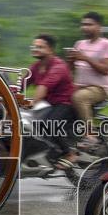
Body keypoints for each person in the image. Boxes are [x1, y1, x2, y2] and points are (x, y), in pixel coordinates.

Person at [65, 12, 108, 152]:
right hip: (80, 85)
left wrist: (85, 58)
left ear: (99, 27)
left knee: (79, 97)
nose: (85, 27)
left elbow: (106, 70)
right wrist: (71, 61)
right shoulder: (79, 44)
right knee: (57, 97)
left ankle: (90, 134)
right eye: (83, 24)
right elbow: (71, 69)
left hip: (99, 88)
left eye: (89, 24)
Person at [27, 34, 76, 165]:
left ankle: (69, 153)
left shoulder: (58, 66)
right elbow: (22, 83)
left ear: (50, 50)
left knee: (50, 123)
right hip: (48, 104)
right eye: (34, 46)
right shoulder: (36, 67)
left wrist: (32, 103)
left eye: (40, 47)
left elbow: (43, 88)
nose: (35, 49)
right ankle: (48, 152)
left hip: (64, 103)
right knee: (31, 122)